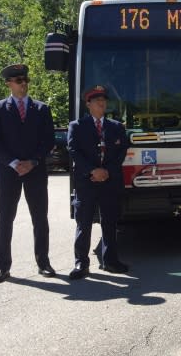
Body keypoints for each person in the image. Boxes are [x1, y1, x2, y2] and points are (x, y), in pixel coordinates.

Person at [0, 64, 56, 284]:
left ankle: (43, 262)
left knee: (40, 218)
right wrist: (15, 163)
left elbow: (49, 140)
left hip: (35, 170)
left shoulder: (42, 109)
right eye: (18, 81)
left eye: (25, 80)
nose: (23, 84)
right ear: (8, 83)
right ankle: (2, 267)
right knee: (5, 219)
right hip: (8, 171)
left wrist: (33, 161)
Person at [67, 86, 130, 280]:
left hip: (109, 182)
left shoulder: (116, 127)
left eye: (103, 100)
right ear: (88, 104)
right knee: (83, 223)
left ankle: (110, 261)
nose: (101, 103)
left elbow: (121, 153)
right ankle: (81, 264)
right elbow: (73, 150)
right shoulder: (77, 126)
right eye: (96, 100)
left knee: (109, 222)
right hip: (86, 182)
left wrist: (106, 172)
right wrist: (93, 171)